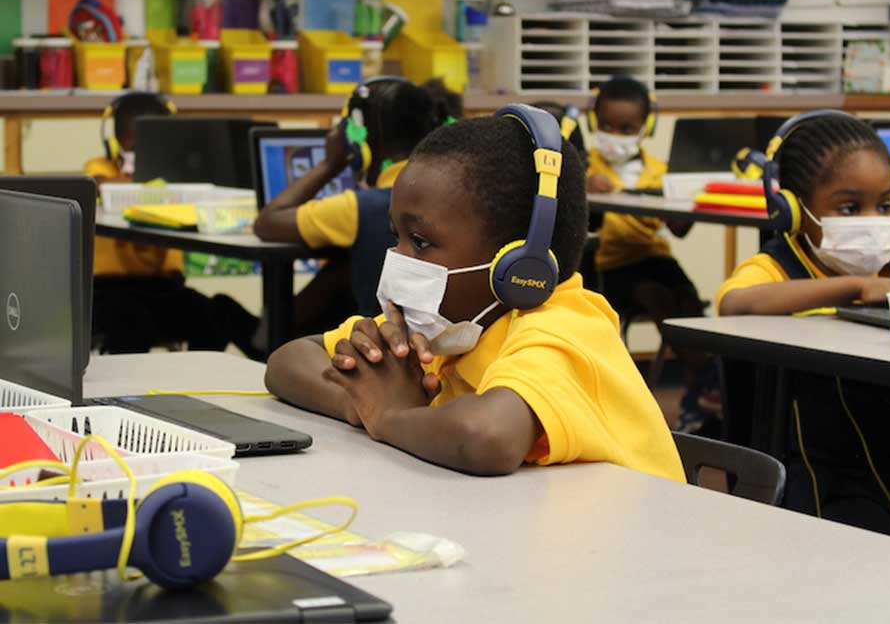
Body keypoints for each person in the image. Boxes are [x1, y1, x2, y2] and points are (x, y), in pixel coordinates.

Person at [264, 109, 684, 480]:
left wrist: (389, 416)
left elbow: (487, 436)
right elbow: (288, 361)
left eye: (421, 242)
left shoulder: (565, 327)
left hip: (643, 555)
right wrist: (358, 400)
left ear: (519, 264)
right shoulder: (447, 327)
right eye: (398, 237)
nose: (399, 259)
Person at [717, 110, 890, 535]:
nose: (872, 220)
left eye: (886, 205)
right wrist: (853, 286)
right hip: (820, 473)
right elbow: (735, 303)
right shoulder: (778, 266)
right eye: (850, 208)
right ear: (794, 212)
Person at [216, 77, 443, 357]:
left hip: (380, 347)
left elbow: (268, 222)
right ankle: (265, 340)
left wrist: (330, 163)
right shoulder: (451, 196)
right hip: (435, 345)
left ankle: (267, 344)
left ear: (359, 142)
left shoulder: (361, 207)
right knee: (342, 267)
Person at [585, 77, 716, 433]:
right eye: (607, 125)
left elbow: (680, 229)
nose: (615, 134)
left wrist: (678, 203)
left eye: (626, 128)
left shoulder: (661, 171)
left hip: (655, 258)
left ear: (647, 127)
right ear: (593, 122)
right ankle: (706, 382)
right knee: (656, 295)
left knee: (686, 298)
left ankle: (701, 386)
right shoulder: (586, 165)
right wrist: (582, 184)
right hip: (608, 265)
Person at [85, 92, 227, 354]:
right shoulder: (102, 168)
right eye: (134, 147)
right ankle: (125, 392)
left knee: (210, 318)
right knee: (131, 323)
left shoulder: (177, 174)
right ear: (115, 142)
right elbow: (98, 183)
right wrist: (139, 177)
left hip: (166, 287)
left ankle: (195, 381)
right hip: (111, 288)